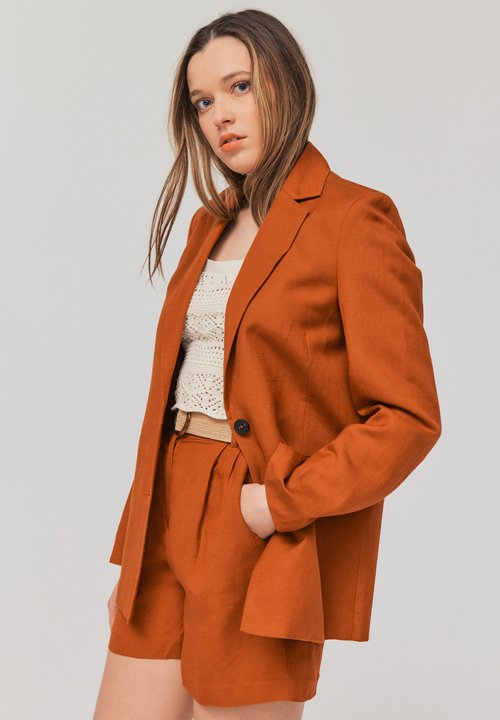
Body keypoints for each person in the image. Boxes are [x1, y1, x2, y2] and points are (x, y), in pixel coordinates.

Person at [93, 9, 442, 720]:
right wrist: (137, 550)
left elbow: (408, 417)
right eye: (202, 102)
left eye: (239, 86)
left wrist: (278, 503)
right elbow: (176, 392)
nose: (220, 115)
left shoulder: (354, 219)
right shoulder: (209, 222)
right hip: (166, 507)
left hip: (255, 519)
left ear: (286, 82)